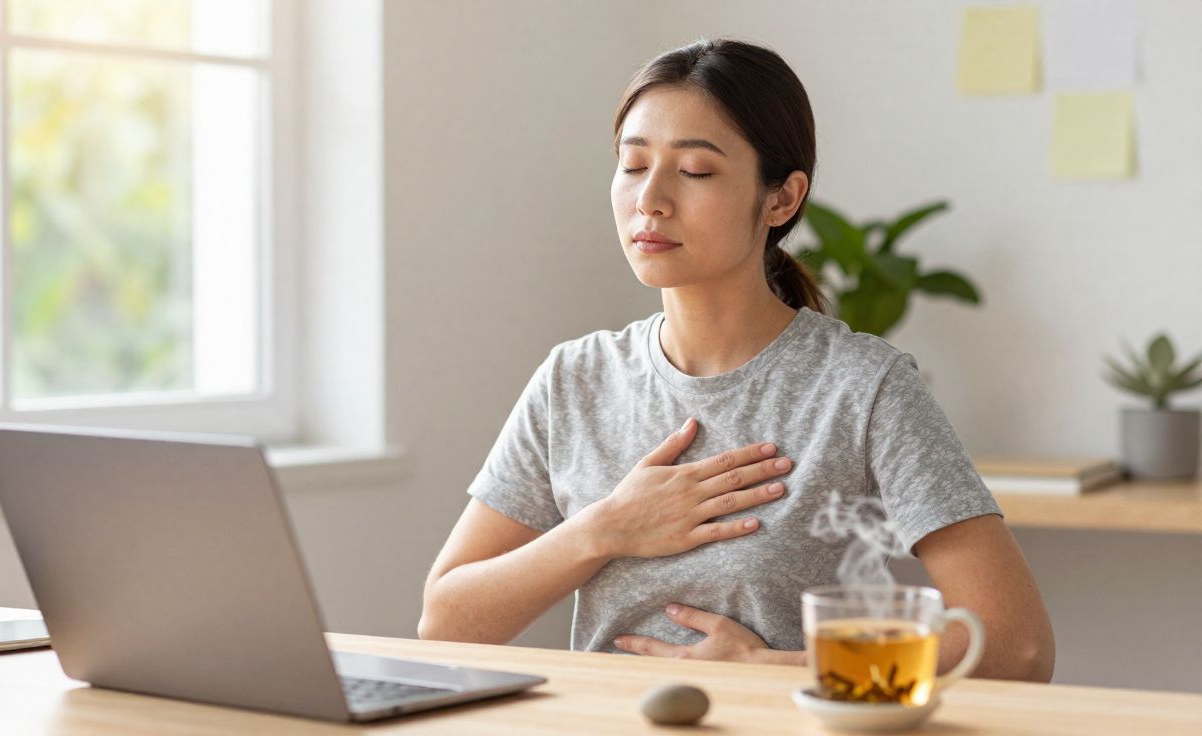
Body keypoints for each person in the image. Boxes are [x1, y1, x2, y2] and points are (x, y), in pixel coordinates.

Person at [418, 38, 1055, 682]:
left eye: (695, 171)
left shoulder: (864, 387)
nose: (652, 200)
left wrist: (778, 668)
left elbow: (1016, 646)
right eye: (633, 165)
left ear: (781, 199)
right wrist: (604, 529)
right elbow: (446, 621)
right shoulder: (573, 380)